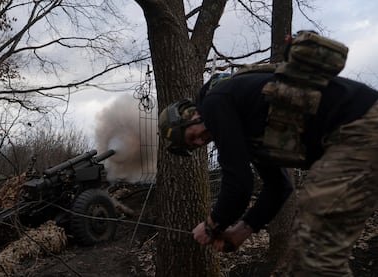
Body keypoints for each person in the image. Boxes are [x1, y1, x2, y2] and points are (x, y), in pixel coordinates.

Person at [158, 70, 378, 276]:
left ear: (190, 115)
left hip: (359, 127)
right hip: (359, 129)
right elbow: (279, 187)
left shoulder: (214, 102)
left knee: (315, 251)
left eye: (191, 137)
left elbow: (239, 184)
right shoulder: (247, 125)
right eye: (194, 146)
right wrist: (241, 231)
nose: (200, 141)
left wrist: (211, 225)